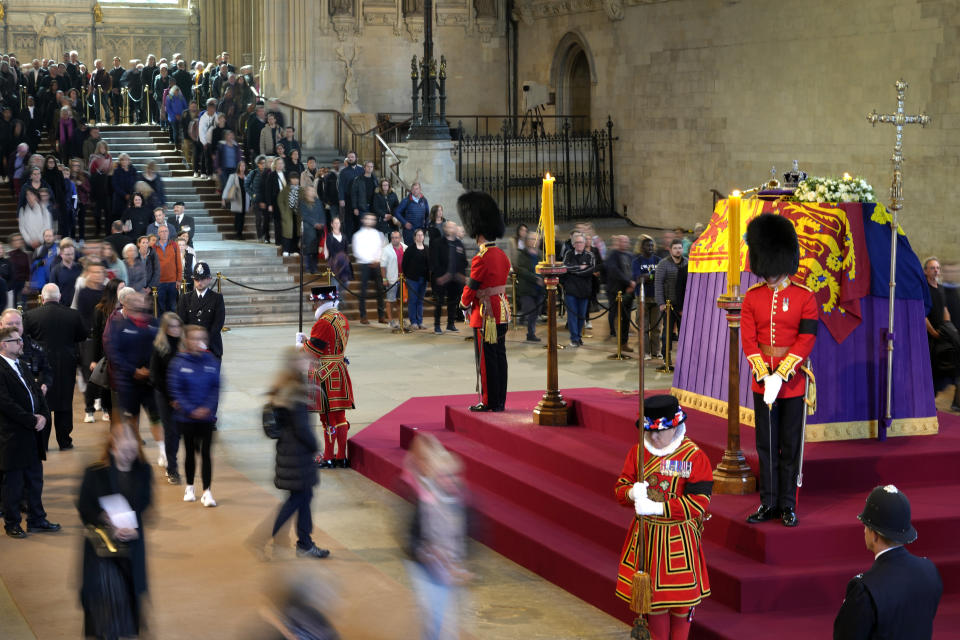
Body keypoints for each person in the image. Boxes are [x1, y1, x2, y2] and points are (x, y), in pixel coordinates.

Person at [614, 395, 712, 640]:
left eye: (660, 432)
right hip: (647, 542)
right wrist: (630, 492)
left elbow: (698, 504)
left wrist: (658, 509)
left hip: (679, 543)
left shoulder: (694, 457)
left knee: (681, 605)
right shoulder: (638, 452)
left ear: (675, 427)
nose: (654, 437)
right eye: (650, 431)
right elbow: (620, 490)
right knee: (655, 605)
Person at [742, 213, 818, 528]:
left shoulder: (805, 297)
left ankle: (788, 504)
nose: (769, 276)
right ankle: (769, 503)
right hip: (763, 384)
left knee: (790, 446)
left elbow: (806, 338)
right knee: (766, 446)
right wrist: (764, 374)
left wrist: (782, 374)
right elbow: (749, 340)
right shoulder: (752, 297)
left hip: (793, 383)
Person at [833, 485, 942, 640]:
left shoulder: (864, 590)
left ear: (874, 535)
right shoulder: (930, 571)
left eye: (866, 526)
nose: (864, 531)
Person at [77, 419, 152, 639]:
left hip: (131, 553)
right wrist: (104, 518)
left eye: (132, 447)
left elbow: (145, 504)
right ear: (113, 446)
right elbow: (84, 508)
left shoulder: (143, 471)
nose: (128, 452)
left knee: (130, 614)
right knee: (104, 618)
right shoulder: (95, 473)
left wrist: (134, 527)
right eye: (123, 447)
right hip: (102, 558)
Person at [404, 432, 472, 640]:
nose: (449, 480)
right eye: (444, 476)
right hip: (427, 569)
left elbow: (470, 530)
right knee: (436, 618)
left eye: (452, 476)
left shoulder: (462, 499)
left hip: (453, 567)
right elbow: (412, 535)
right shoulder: (423, 500)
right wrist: (425, 553)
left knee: (451, 621)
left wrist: (464, 561)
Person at [266, 347, 330, 558]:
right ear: (295, 364)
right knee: (298, 499)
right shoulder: (294, 389)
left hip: (289, 451)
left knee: (302, 497)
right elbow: (302, 428)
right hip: (297, 453)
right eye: (303, 360)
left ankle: (304, 543)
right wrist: (315, 447)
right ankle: (269, 536)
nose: (308, 362)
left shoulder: (285, 385)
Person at [0, 324, 59, 539]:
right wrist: (31, 419)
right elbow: (5, 403)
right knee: (13, 484)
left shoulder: (22, 365)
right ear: (4, 345)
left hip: (33, 432)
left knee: (35, 479)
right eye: (17, 341)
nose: (22, 343)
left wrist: (43, 415)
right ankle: (12, 523)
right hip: (13, 434)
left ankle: (37, 519)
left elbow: (37, 391)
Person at [458, 191, 510, 412]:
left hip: (487, 314)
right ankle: (500, 400)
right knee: (500, 356)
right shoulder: (502, 254)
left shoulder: (481, 258)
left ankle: (489, 401)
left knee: (486, 362)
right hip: (502, 309)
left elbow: (471, 287)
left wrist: (462, 304)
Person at [22, 283, 87, 451]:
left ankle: (42, 444)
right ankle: (65, 441)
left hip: (40, 365)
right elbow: (82, 335)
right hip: (66, 363)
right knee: (64, 402)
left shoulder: (29, 316)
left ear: (42, 298)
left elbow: (25, 340)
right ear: (59, 297)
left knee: (42, 402)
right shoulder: (73, 315)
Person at [298, 286, 354, 469]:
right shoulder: (342, 319)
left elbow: (312, 351)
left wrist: (301, 343)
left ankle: (329, 456)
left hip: (325, 373)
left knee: (327, 418)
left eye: (315, 302)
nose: (314, 305)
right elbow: (328, 343)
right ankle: (341, 456)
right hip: (339, 369)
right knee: (340, 417)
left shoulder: (323, 322)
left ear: (321, 302)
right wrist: (309, 339)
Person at [168, 324, 220, 507]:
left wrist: (207, 408)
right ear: (187, 341)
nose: (199, 342)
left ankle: (207, 491)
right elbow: (176, 389)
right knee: (190, 452)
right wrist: (191, 410)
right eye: (195, 338)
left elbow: (216, 387)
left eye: (202, 338)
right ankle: (190, 486)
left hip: (206, 418)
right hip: (186, 418)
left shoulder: (211, 360)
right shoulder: (179, 362)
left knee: (206, 454)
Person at [150, 312, 182, 483]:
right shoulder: (160, 347)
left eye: (178, 326)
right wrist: (171, 397)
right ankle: (172, 468)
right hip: (165, 396)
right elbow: (155, 376)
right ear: (165, 328)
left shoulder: (185, 345)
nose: (175, 330)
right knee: (171, 432)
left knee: (178, 434)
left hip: (182, 396)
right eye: (171, 327)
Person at [176, 262, 226, 359]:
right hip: (190, 348)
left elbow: (218, 323)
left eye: (203, 279)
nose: (200, 282)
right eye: (197, 279)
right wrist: (193, 342)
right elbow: (182, 323)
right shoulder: (185, 298)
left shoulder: (217, 298)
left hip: (211, 347)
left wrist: (203, 341)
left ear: (209, 279)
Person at [429, 220, 467, 335]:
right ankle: (437, 325)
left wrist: (461, 274)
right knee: (439, 302)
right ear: (445, 229)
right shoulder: (437, 243)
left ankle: (450, 324)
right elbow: (434, 262)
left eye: (454, 227)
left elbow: (464, 262)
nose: (453, 229)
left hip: (455, 279)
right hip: (442, 279)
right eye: (451, 227)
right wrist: (441, 276)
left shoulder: (459, 244)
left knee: (453, 302)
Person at [562, 232, 596, 347]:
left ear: (584, 243)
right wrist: (579, 268)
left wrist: (575, 271)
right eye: (577, 242)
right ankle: (574, 338)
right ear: (573, 244)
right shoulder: (568, 254)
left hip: (584, 290)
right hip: (571, 290)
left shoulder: (590, 255)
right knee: (572, 315)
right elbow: (565, 268)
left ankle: (579, 337)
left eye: (581, 242)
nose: (579, 244)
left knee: (581, 315)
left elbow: (590, 270)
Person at [352, 212, 386, 325]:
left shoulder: (378, 234)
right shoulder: (357, 235)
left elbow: (381, 248)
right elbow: (357, 251)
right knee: (363, 291)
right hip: (365, 264)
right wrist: (370, 260)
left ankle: (381, 316)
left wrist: (377, 259)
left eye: (373, 219)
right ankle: (363, 316)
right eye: (368, 219)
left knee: (380, 290)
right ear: (363, 220)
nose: (370, 221)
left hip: (376, 264)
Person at [654, 238, 687, 356]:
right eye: (675, 248)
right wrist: (661, 303)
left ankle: (683, 358)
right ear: (670, 250)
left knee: (684, 333)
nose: (678, 251)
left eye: (679, 248)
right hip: (669, 304)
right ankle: (666, 358)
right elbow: (658, 284)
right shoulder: (663, 264)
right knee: (667, 333)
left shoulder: (687, 263)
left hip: (683, 305)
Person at [605, 235, 636, 352]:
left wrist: (632, 284)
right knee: (617, 316)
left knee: (626, 317)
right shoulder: (613, 255)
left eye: (626, 241)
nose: (624, 243)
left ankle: (624, 343)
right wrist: (629, 282)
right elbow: (615, 272)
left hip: (629, 290)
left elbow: (634, 271)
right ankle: (617, 339)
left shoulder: (631, 256)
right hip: (616, 291)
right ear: (618, 242)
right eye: (622, 241)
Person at [633, 235, 660, 358]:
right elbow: (638, 279)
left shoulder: (658, 260)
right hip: (642, 297)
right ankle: (645, 351)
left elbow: (660, 277)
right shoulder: (637, 261)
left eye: (651, 245)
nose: (650, 247)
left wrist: (649, 276)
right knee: (643, 327)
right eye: (647, 245)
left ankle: (656, 351)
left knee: (656, 327)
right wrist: (651, 276)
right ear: (642, 247)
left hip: (656, 297)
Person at [515, 231, 543, 343]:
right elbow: (521, 270)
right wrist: (536, 279)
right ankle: (530, 333)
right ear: (527, 241)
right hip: (527, 288)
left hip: (540, 289)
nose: (534, 241)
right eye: (532, 238)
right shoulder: (522, 254)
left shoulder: (541, 254)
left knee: (536, 312)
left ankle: (531, 332)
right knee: (531, 310)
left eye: (536, 239)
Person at [402, 228, 430, 330]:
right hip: (412, 279)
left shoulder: (427, 248)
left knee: (420, 301)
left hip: (424, 278)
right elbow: (404, 264)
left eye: (421, 235)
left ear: (423, 237)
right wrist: (407, 275)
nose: (420, 237)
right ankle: (413, 321)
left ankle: (420, 321)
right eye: (418, 235)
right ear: (414, 237)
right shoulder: (410, 249)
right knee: (413, 300)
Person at [380, 230, 406, 329]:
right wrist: (384, 278)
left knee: (400, 301)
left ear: (400, 238)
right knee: (390, 301)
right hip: (391, 279)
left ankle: (400, 319)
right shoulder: (386, 249)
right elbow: (382, 266)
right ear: (391, 239)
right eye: (393, 238)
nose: (395, 239)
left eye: (397, 237)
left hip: (402, 279)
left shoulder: (404, 247)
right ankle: (390, 320)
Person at [154, 224, 181, 314]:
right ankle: (162, 326)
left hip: (172, 281)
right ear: (158, 234)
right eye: (162, 231)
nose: (164, 233)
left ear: (168, 232)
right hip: (159, 282)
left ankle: (173, 326)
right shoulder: (154, 247)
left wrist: (179, 279)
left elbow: (179, 263)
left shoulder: (174, 245)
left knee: (173, 306)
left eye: (166, 231)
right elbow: (152, 265)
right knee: (161, 307)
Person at [394, 181, 429, 246]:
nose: (415, 191)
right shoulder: (406, 200)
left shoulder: (424, 200)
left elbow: (427, 214)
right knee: (409, 250)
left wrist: (426, 227)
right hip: (409, 230)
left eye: (417, 189)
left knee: (420, 249)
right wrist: (405, 222)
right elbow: (397, 212)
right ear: (411, 190)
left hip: (420, 230)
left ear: (420, 189)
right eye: (413, 189)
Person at [222, 158, 248, 240]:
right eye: (241, 166)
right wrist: (223, 198)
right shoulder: (233, 176)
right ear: (238, 167)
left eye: (244, 166)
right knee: (238, 217)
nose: (243, 167)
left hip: (245, 199)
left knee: (242, 217)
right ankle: (238, 233)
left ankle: (240, 233)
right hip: (236, 199)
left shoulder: (247, 177)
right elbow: (227, 187)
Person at [278, 171, 301, 257]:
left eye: (296, 178)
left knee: (296, 233)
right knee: (287, 233)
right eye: (293, 178)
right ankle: (286, 249)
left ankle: (295, 250)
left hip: (298, 215)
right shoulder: (285, 190)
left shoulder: (301, 190)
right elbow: (280, 201)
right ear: (290, 180)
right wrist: (283, 212)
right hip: (288, 215)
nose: (295, 180)